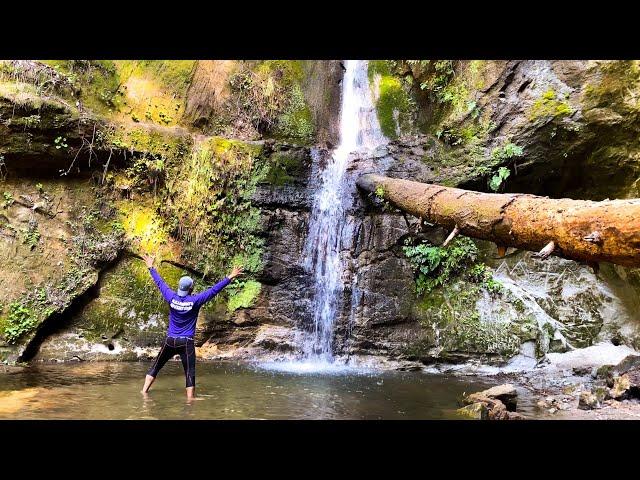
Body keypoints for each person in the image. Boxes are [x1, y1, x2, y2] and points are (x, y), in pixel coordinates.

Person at [140, 253, 243, 399]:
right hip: (186, 342)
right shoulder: (196, 300)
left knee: (156, 366)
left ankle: (144, 392)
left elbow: (160, 283)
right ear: (191, 289)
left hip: (170, 340)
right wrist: (230, 277)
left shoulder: (171, 297)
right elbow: (213, 290)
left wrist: (151, 267)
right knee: (189, 372)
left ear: (180, 288)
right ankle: (190, 401)